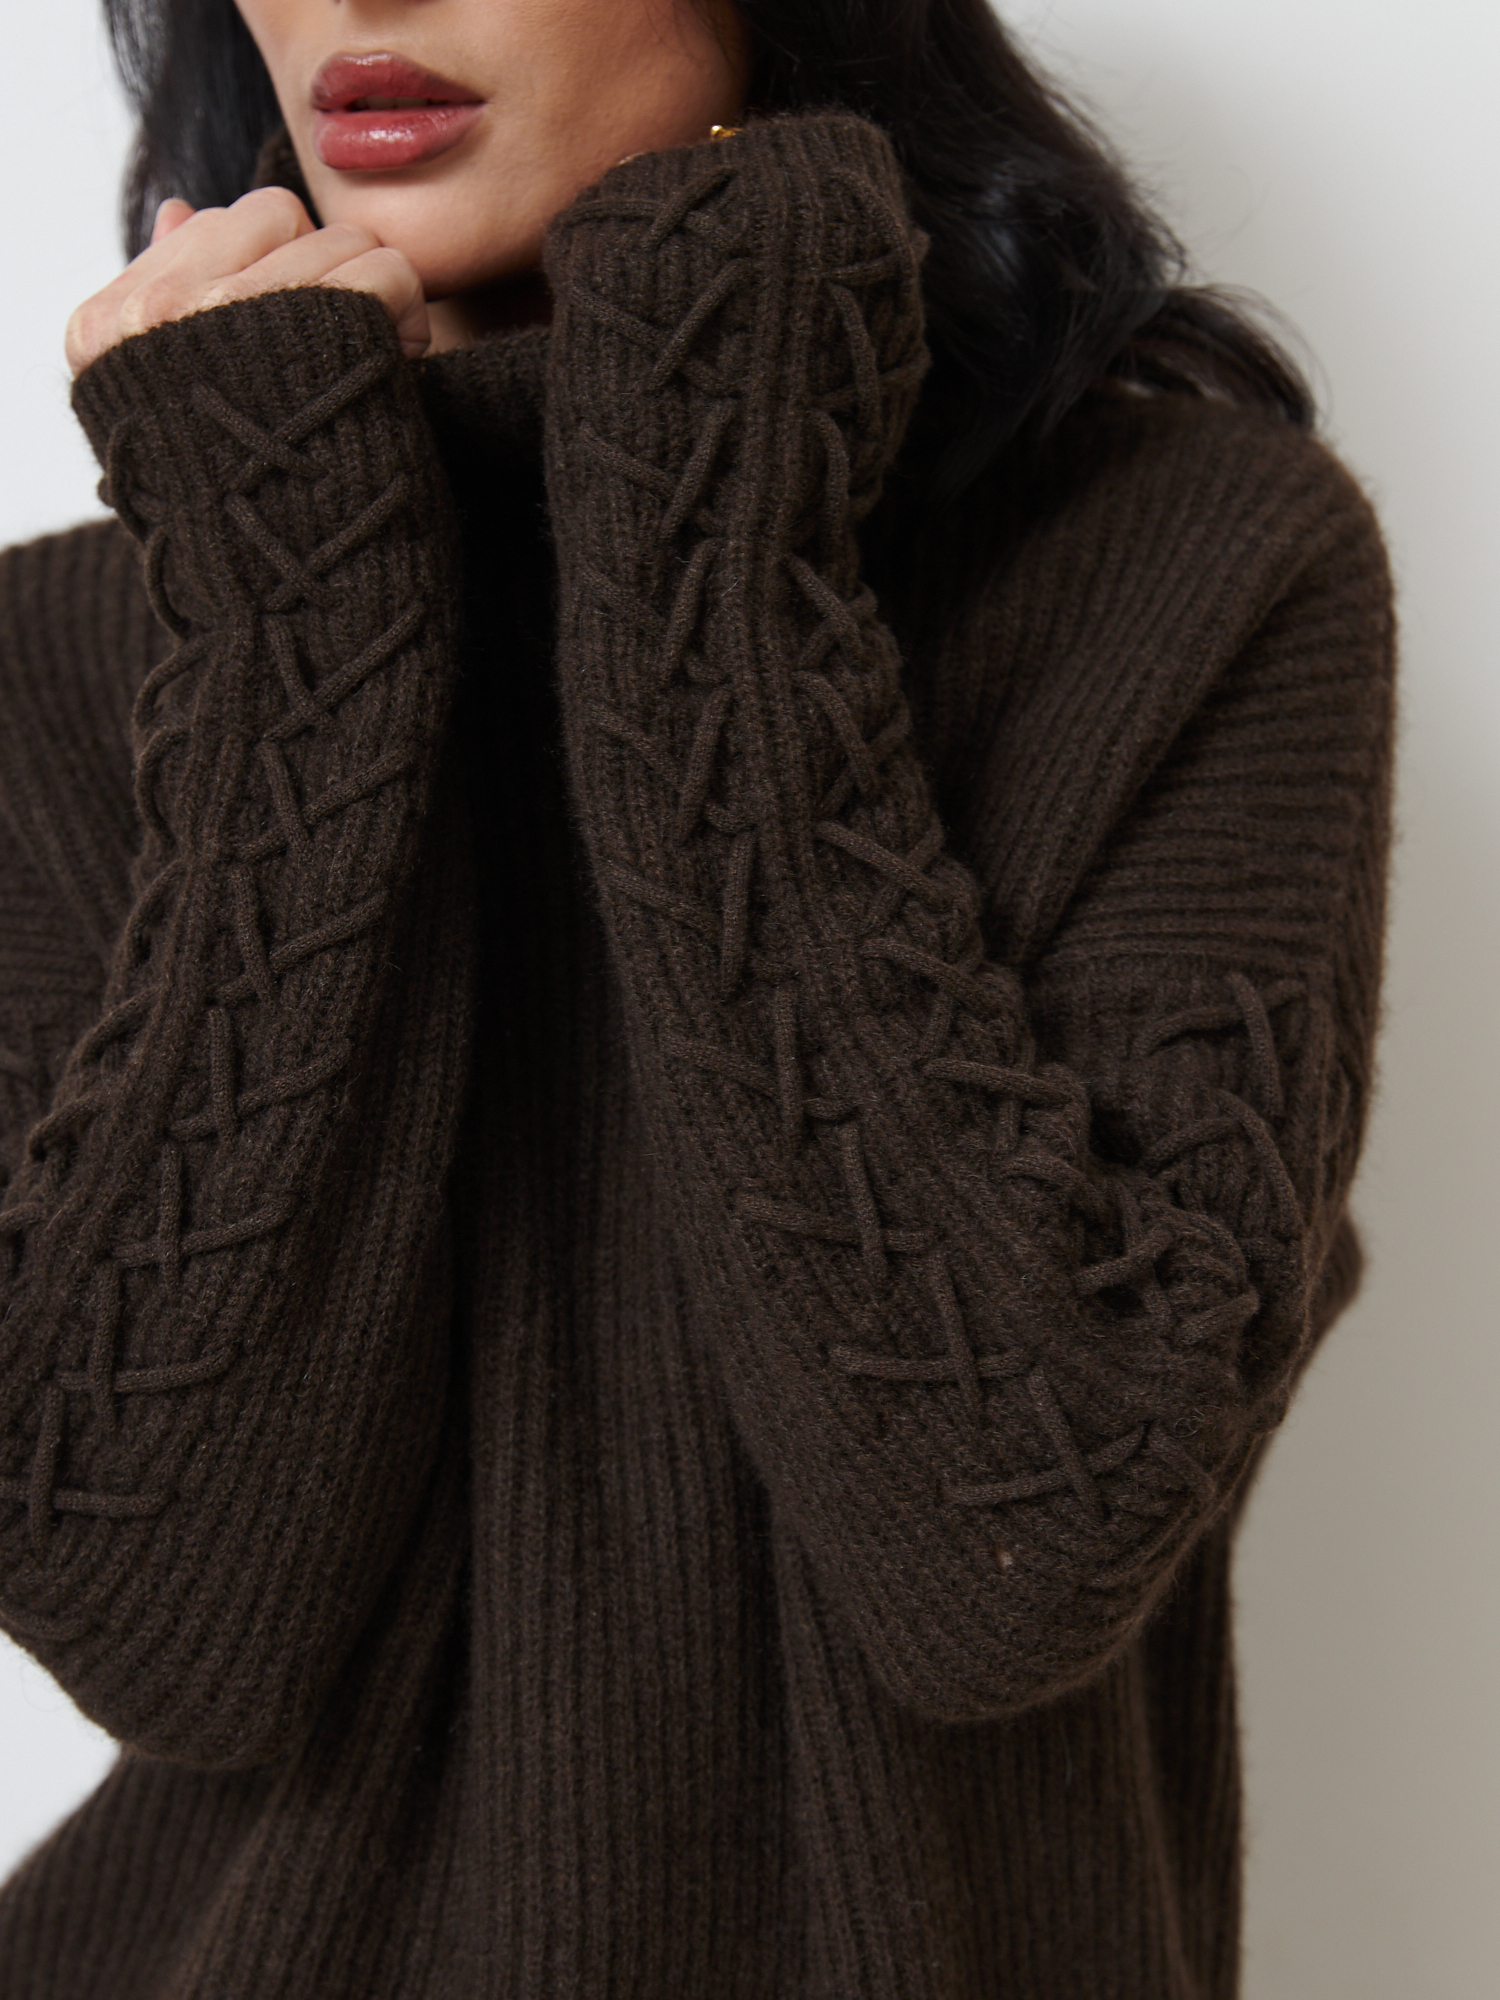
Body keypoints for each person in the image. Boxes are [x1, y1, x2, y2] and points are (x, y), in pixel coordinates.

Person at [0, 0, 1394, 1993]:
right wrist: (291, 632)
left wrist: (713, 531)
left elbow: (1009, 1560)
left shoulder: (1196, 569)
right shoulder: (80, 655)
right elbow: (166, 1626)